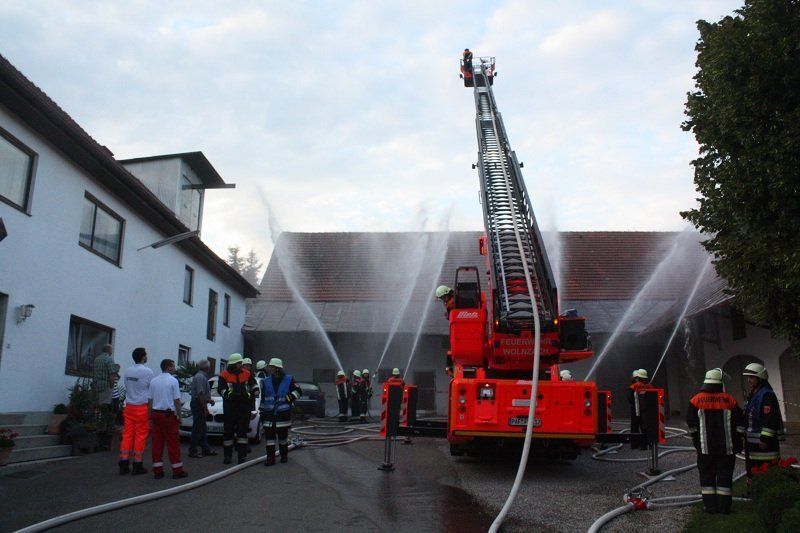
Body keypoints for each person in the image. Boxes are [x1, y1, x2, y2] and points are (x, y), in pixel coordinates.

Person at [686, 368, 743, 514]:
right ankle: (724, 508)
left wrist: (696, 441)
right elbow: (740, 423)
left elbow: (691, 424)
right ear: (720, 383)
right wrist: (739, 440)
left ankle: (710, 507)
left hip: (705, 448)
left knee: (707, 478)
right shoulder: (729, 400)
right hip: (727, 449)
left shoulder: (696, 400)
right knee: (725, 478)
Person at [742, 363, 784, 482]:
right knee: (753, 471)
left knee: (767, 473)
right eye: (748, 377)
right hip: (753, 444)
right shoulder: (755, 394)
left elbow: (770, 419)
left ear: (760, 378)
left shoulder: (766, 395)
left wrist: (765, 439)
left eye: (751, 377)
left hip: (764, 445)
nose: (749, 380)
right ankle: (753, 489)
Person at [149, 359, 187, 479]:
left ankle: (158, 471)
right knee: (173, 443)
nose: (174, 368)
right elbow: (177, 400)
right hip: (168, 415)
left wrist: (150, 416)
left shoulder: (154, 381)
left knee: (157, 443)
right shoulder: (173, 381)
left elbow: (150, 400)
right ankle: (177, 470)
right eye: (173, 366)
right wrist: (179, 416)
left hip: (156, 414)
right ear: (168, 367)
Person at [260, 357, 301, 466]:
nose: (269, 368)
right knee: (270, 440)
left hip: (283, 415)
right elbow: (263, 398)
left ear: (277, 368)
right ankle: (270, 459)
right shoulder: (266, 381)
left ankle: (284, 456)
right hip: (269, 415)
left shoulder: (289, 379)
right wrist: (261, 411)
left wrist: (290, 397)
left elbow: (298, 391)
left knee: (283, 438)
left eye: (272, 367)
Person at [119, 347, 153, 475]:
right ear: (143, 357)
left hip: (129, 406)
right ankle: (137, 463)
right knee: (140, 436)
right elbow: (151, 390)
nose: (147, 356)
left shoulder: (128, 371)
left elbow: (127, 386)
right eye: (146, 354)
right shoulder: (148, 372)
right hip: (141, 407)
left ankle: (123, 461)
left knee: (127, 435)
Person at [218, 353, 257, 464]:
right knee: (228, 433)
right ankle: (227, 456)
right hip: (230, 407)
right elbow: (221, 389)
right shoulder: (224, 375)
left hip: (244, 407)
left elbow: (253, 384)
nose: (241, 365)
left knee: (242, 433)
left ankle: (242, 456)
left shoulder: (247, 373)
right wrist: (230, 395)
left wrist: (255, 390)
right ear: (234, 364)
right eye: (239, 363)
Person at [188, 359, 216, 458]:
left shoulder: (201, 376)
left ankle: (205, 449)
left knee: (202, 428)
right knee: (197, 428)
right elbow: (200, 394)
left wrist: (208, 400)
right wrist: (205, 408)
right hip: (198, 404)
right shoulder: (200, 377)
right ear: (207, 368)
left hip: (199, 403)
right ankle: (193, 450)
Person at [93, 344, 115, 450]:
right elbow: (111, 374)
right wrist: (112, 385)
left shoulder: (97, 359)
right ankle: (104, 430)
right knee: (105, 407)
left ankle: (97, 423)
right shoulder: (109, 359)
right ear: (109, 350)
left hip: (97, 384)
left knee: (98, 406)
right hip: (106, 385)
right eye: (111, 349)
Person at [627, 368, 650, 450]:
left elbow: (629, 398)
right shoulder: (649, 386)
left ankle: (634, 444)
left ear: (637, 378)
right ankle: (645, 445)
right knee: (645, 427)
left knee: (634, 427)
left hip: (635, 410)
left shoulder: (633, 387)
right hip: (646, 410)